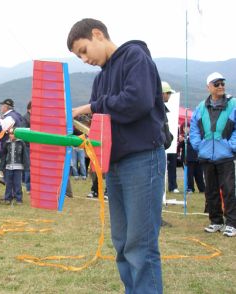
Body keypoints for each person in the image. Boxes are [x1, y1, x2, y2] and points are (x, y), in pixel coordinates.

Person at [69, 18, 166, 293]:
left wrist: (87, 106)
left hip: (143, 159)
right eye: (79, 56)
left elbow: (137, 101)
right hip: (114, 164)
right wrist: (87, 145)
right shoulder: (100, 79)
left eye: (83, 50)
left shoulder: (135, 57)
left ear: (97, 34)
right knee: (122, 242)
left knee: (140, 244)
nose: (84, 59)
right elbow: (102, 124)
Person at [190, 72, 236, 237]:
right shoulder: (201, 107)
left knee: (229, 189)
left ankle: (231, 223)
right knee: (211, 190)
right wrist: (198, 145)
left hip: (226, 155)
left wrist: (232, 145)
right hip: (206, 155)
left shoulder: (233, 104)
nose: (221, 86)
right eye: (216, 84)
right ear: (208, 87)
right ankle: (216, 221)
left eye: (223, 83)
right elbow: (193, 127)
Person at [0, 129, 29, 204]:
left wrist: (26, 167)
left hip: (18, 167)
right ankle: (8, 198)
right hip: (8, 167)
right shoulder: (7, 143)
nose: (11, 135)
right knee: (8, 183)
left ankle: (18, 198)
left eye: (12, 133)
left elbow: (25, 155)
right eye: (9, 134)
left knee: (17, 183)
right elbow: (3, 156)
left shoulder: (21, 143)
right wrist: (1, 167)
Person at [161, 81, 180, 193]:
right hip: (158, 148)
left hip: (162, 146)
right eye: (168, 93)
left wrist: (170, 137)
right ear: (163, 93)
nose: (169, 95)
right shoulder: (157, 109)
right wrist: (168, 139)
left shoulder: (161, 108)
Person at [179, 124, 205, 194]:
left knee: (199, 175)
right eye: (185, 127)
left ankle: (202, 188)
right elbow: (179, 147)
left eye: (188, 127)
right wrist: (181, 141)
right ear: (183, 129)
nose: (186, 129)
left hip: (197, 158)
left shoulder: (195, 135)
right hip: (187, 159)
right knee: (189, 175)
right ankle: (190, 188)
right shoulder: (182, 137)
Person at [22, 101, 32, 193]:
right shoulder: (25, 118)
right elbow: (25, 133)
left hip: (33, 146)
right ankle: (28, 187)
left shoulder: (32, 117)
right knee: (28, 167)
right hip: (28, 146)